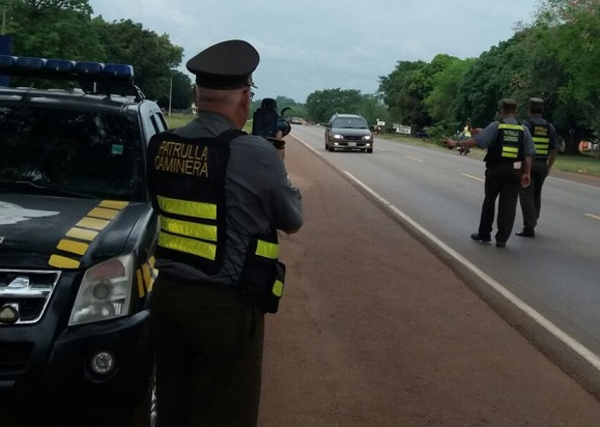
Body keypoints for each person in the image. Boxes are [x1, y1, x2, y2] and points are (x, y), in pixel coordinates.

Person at [146, 39, 303, 427]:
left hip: (167, 298)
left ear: (196, 95)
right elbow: (292, 218)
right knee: (225, 411)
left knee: (173, 407)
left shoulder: (160, 145)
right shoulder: (254, 152)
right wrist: (278, 167)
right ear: (245, 98)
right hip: (225, 307)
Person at [443, 98, 535, 247]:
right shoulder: (523, 129)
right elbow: (529, 153)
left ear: (502, 111)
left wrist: (456, 143)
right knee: (509, 206)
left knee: (489, 201)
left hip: (496, 170)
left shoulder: (497, 126)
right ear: (515, 111)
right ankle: (502, 239)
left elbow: (478, 141)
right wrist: (527, 173)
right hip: (515, 171)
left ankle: (484, 234)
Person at [515, 97, 558, 238]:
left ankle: (529, 226)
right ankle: (533, 220)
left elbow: (521, 146)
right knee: (536, 194)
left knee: (526, 194)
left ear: (529, 110)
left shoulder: (527, 125)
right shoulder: (549, 126)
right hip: (542, 164)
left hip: (529, 164)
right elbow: (554, 149)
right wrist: (549, 166)